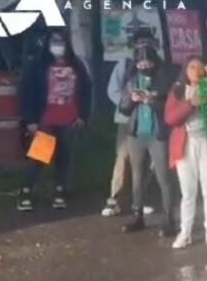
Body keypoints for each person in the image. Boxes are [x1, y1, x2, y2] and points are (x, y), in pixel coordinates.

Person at [17, 31, 92, 211]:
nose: (58, 46)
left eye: (61, 42)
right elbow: (27, 92)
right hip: (46, 119)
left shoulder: (77, 65)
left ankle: (60, 191)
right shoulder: (37, 65)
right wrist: (30, 119)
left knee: (64, 157)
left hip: (69, 119)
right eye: (54, 42)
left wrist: (83, 115)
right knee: (39, 156)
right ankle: (26, 192)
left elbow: (86, 91)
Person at [119, 43, 177, 237]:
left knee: (163, 177)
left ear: (155, 62)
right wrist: (132, 99)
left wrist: (151, 100)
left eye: (148, 63)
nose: (144, 66)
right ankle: (138, 216)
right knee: (137, 176)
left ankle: (169, 220)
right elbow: (123, 109)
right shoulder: (132, 80)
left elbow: (170, 107)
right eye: (140, 63)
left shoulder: (165, 78)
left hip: (158, 134)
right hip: (136, 134)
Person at [165, 55, 207, 250]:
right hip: (186, 143)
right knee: (188, 191)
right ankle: (185, 232)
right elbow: (170, 118)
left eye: (200, 67)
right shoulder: (178, 89)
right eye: (192, 67)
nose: (196, 71)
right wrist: (191, 104)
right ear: (185, 71)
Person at [102, 30, 154, 218]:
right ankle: (114, 199)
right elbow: (112, 90)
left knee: (147, 160)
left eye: (147, 42)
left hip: (150, 118)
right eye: (140, 42)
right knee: (123, 157)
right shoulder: (124, 64)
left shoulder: (158, 65)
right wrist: (129, 102)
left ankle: (139, 200)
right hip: (127, 118)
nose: (144, 46)